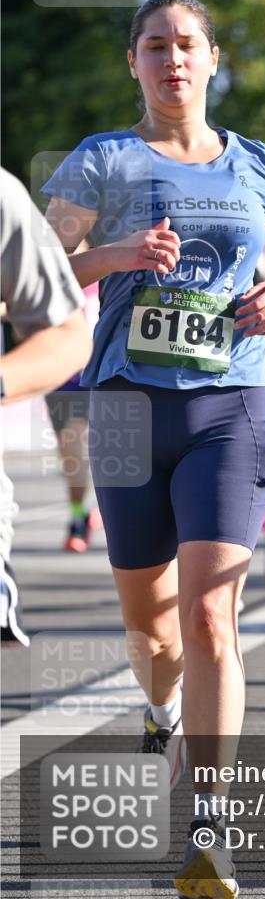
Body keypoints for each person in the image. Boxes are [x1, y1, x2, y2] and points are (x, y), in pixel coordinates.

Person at [41, 0, 265, 899]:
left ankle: (210, 824)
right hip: (128, 408)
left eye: (187, 45)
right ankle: (160, 707)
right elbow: (39, 278)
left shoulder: (255, 162)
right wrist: (112, 256)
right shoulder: (101, 159)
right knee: (152, 628)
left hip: (233, 403)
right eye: (154, 45)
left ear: (212, 60)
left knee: (213, 616)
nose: (172, 59)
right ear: (132, 62)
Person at [0, 167, 91, 645]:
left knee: (118, 457)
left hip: (112, 372)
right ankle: (80, 513)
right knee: (73, 450)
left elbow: (63, 334)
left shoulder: (4, 200)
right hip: (69, 384)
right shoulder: (66, 256)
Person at [44, 281, 103, 551]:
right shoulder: (51, 272)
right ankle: (81, 511)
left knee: (76, 442)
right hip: (56, 378)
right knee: (70, 457)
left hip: (89, 376)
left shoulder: (106, 270)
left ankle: (79, 520)